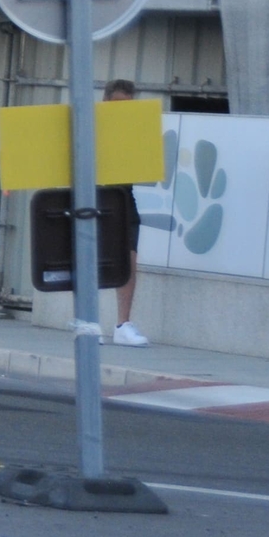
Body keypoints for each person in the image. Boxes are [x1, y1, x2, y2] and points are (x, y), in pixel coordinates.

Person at [104, 79, 147, 346]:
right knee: (91, 260)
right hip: (95, 194)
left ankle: (123, 324)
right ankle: (88, 323)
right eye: (117, 105)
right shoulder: (90, 128)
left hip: (123, 197)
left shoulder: (135, 130)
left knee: (128, 259)